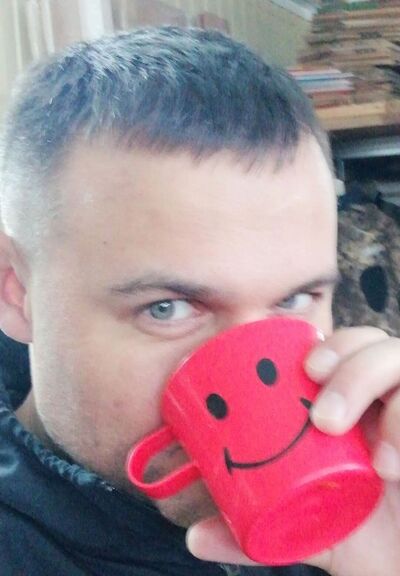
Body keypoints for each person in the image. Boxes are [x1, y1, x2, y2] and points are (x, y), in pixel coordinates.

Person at [0, 26, 398, 576]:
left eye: (294, 300)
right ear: (15, 288)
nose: (254, 391)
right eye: (167, 308)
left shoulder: (365, 508)